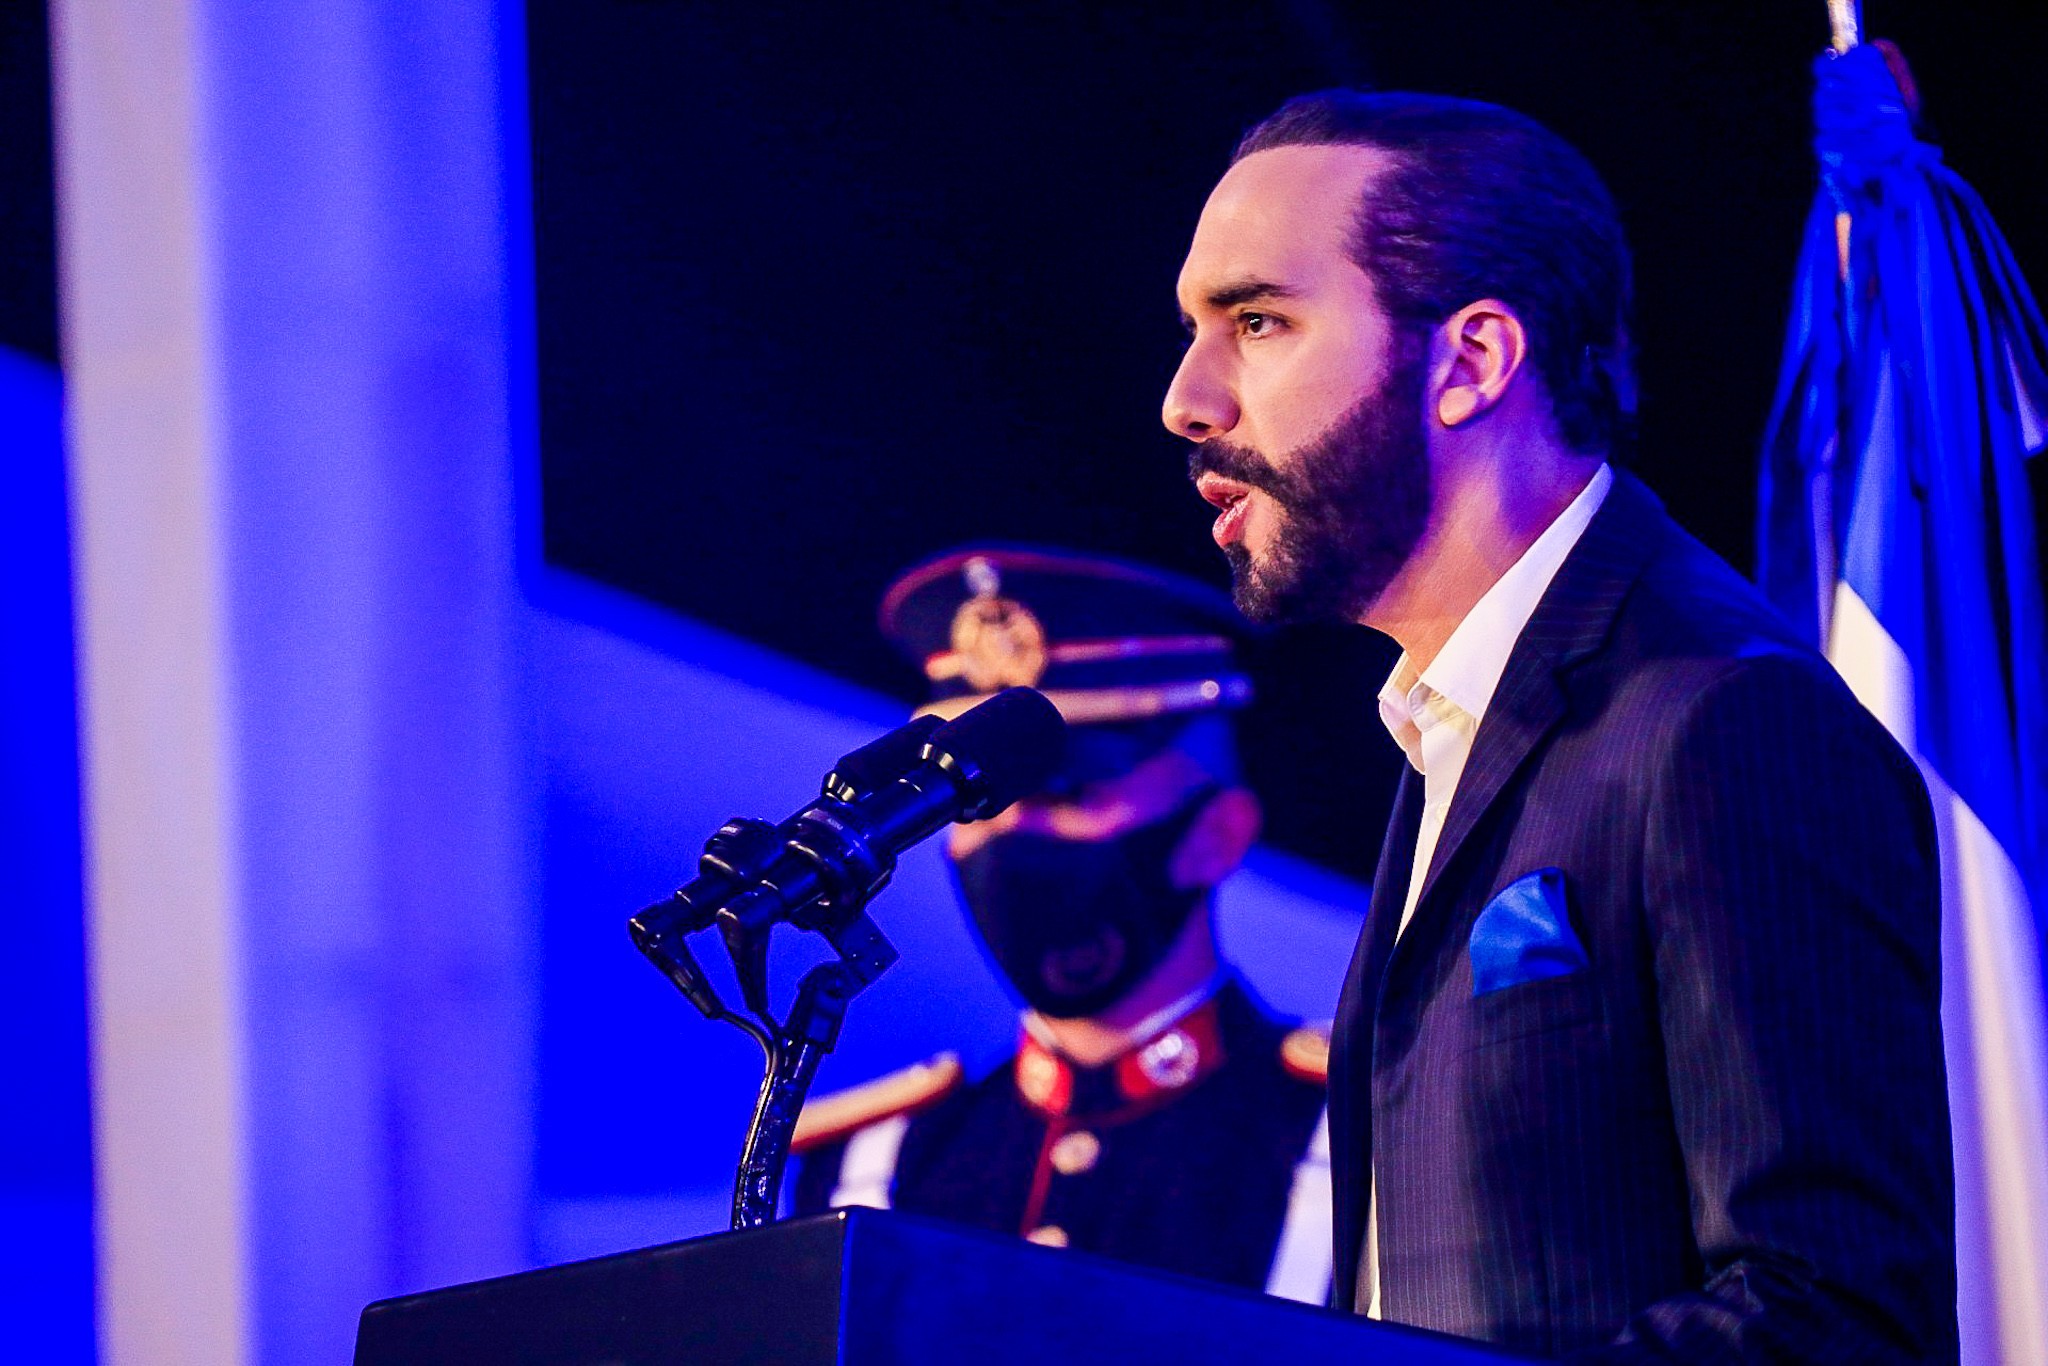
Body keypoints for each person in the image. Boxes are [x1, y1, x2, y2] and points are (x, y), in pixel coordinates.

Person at [1164, 91, 1956, 1361]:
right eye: (1196, 331)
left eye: (1255, 322)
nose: (1187, 400)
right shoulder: (1453, 719)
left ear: (1471, 361)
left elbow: (1831, 1311)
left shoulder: (1720, 715)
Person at [790, 545, 1336, 1303]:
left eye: (1065, 795)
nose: (1011, 834)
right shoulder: (869, 1172)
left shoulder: (1349, 1141)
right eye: (974, 805)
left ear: (1219, 833)